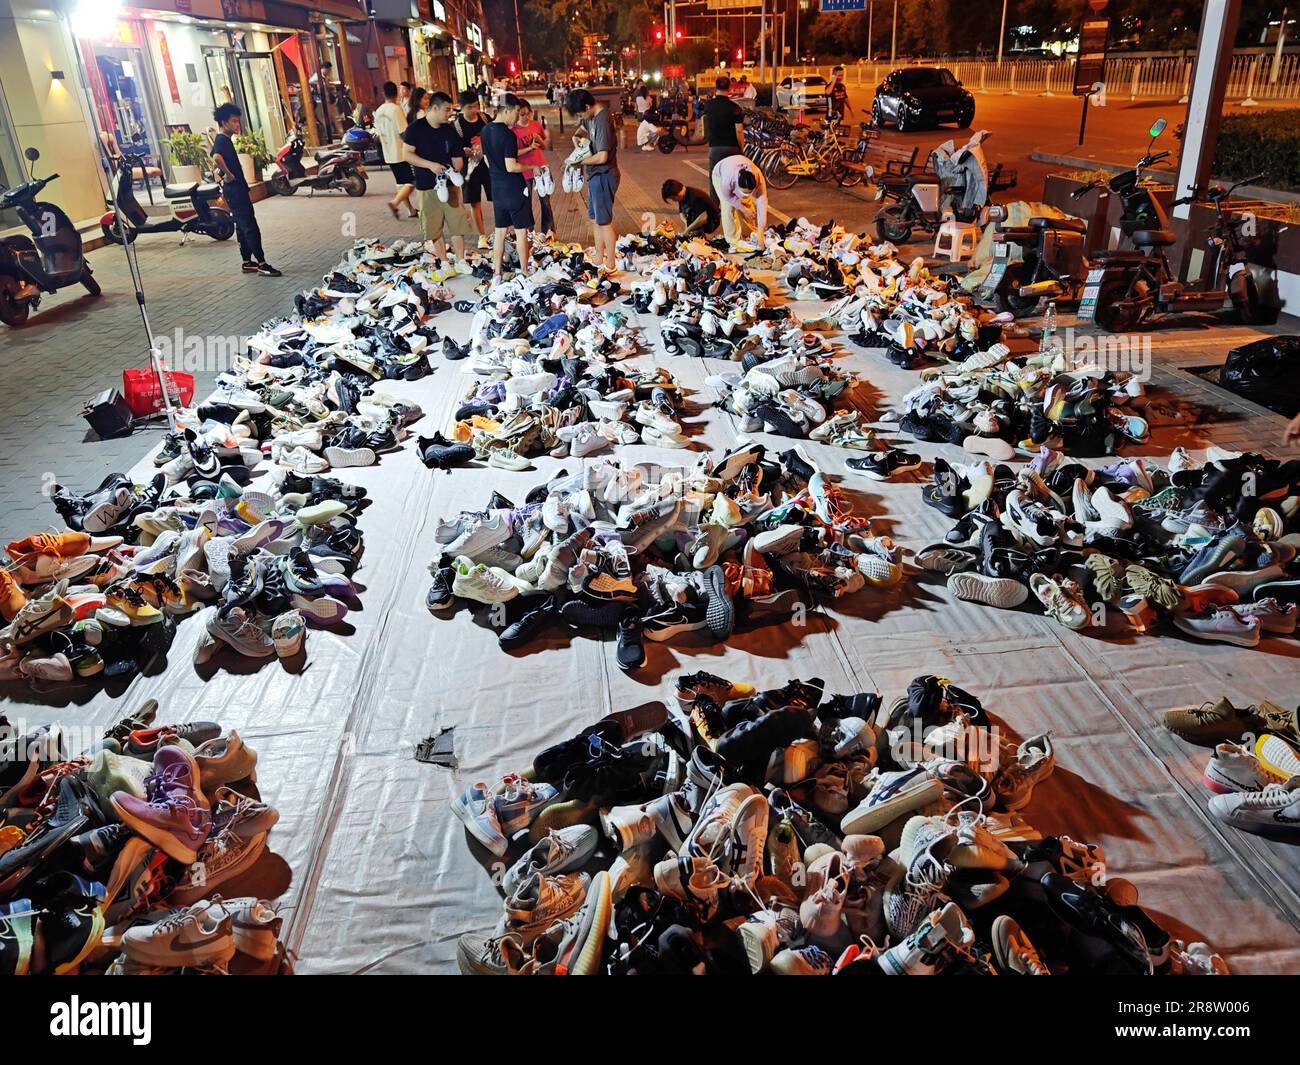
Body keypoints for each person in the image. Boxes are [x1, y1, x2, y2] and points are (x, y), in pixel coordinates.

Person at [210, 103, 280, 277]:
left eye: (237, 121)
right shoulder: (221, 140)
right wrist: (228, 174)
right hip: (235, 191)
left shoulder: (225, 140)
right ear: (223, 122)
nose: (237, 125)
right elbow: (216, 157)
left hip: (236, 190)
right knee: (250, 226)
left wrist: (226, 173)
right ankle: (262, 263)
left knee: (241, 226)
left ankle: (247, 262)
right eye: (233, 121)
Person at [402, 89, 471, 261]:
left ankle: (461, 261)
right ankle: (444, 262)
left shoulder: (449, 130)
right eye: (446, 110)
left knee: (457, 224)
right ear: (434, 108)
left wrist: (459, 163)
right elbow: (407, 154)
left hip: (450, 185)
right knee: (434, 227)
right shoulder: (415, 129)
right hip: (426, 186)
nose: (449, 113)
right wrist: (430, 165)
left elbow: (457, 156)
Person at [565, 88, 619, 273]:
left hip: (604, 174)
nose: (581, 117)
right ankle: (598, 257)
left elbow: (603, 156)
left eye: (581, 113)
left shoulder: (603, 119)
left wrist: (578, 162)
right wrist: (576, 136)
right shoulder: (590, 117)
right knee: (595, 219)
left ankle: (610, 263)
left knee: (604, 221)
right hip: (595, 174)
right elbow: (582, 128)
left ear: (587, 106)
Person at [481, 92, 531, 285]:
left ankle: (497, 273)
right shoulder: (508, 135)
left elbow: (487, 160)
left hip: (497, 188)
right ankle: (524, 271)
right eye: (517, 111)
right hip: (514, 188)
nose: (517, 116)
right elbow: (511, 166)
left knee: (500, 231)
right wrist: (531, 167)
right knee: (521, 231)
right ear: (507, 110)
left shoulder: (485, 130)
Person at [453, 90, 491, 250]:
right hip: (469, 169)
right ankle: (482, 235)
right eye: (470, 107)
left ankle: (502, 232)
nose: (474, 110)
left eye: (476, 106)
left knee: (497, 197)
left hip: (488, 165)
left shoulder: (484, 118)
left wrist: (484, 142)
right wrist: (464, 150)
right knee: (474, 202)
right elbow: (454, 148)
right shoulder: (457, 126)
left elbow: (494, 136)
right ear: (462, 108)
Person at [375, 80, 417, 220]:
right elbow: (403, 132)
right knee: (412, 182)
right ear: (396, 93)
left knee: (401, 182)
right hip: (400, 151)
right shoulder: (396, 109)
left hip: (388, 152)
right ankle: (395, 203)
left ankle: (410, 210)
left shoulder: (379, 111)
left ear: (383, 93)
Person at [711, 152, 767, 251]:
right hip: (719, 174)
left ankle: (751, 235)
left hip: (737, 165)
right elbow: (728, 197)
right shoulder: (727, 180)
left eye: (749, 192)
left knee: (747, 204)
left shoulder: (758, 177)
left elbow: (762, 207)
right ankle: (733, 241)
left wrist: (760, 235)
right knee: (728, 207)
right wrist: (742, 208)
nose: (746, 195)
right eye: (743, 192)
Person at [514, 100, 554, 238]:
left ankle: (548, 232)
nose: (526, 117)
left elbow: (545, 147)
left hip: (541, 166)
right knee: (526, 203)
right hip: (525, 170)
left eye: (528, 113)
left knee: (545, 202)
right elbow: (513, 153)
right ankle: (529, 233)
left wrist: (540, 140)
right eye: (522, 114)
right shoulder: (513, 130)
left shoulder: (536, 125)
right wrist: (529, 148)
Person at [703, 76, 744, 203]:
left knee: (714, 178)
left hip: (715, 148)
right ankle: (734, 204)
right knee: (733, 178)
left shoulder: (708, 106)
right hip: (732, 149)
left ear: (716, 88)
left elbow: (704, 124)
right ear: (729, 88)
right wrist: (740, 148)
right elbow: (739, 130)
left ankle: (715, 206)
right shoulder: (735, 108)